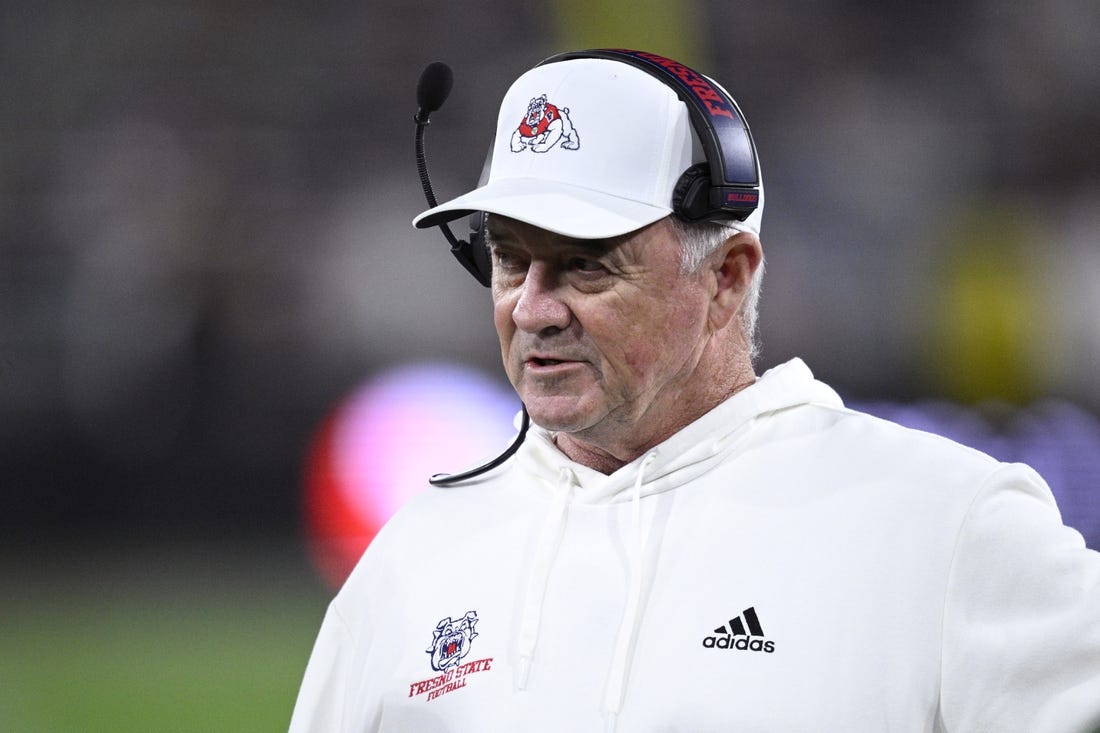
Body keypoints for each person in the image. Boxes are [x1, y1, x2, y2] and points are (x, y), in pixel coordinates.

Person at [289, 49, 1100, 733]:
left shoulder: (945, 523)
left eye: (584, 264)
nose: (532, 307)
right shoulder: (413, 556)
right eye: (509, 258)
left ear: (725, 277)